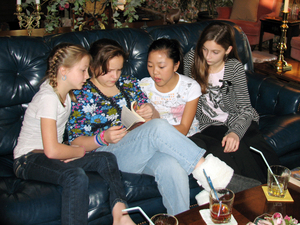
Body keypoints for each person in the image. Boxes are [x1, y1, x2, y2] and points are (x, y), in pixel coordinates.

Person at [67, 38, 259, 212]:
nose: (114, 76)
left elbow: (151, 117)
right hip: (108, 155)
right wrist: (103, 137)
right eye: (108, 71)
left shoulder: (129, 83)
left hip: (138, 148)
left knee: (172, 166)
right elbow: (75, 143)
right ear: (92, 67)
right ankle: (217, 177)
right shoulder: (80, 95)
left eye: (118, 70)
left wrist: (150, 110)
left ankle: (180, 218)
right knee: (158, 127)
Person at [13, 43, 136, 225]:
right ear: (63, 71)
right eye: (83, 70)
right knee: (75, 176)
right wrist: (77, 151)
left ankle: (121, 215)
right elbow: (52, 151)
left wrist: (68, 151)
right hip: (27, 159)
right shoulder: (48, 97)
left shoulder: (68, 94)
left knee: (106, 158)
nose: (87, 76)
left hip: (47, 155)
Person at [183, 22, 280, 184]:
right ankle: (256, 193)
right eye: (204, 49)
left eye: (215, 52)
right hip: (210, 124)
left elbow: (245, 109)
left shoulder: (234, 68)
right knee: (238, 153)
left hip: (238, 118)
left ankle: (278, 187)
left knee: (258, 148)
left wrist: (235, 132)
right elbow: (187, 95)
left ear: (227, 50)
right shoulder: (191, 60)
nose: (207, 56)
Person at [140, 38, 201, 138]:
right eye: (150, 66)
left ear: (176, 66)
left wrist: (154, 128)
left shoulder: (190, 87)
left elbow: (184, 129)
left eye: (161, 67)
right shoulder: (143, 86)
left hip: (188, 138)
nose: (155, 72)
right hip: (154, 139)